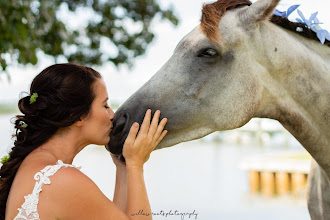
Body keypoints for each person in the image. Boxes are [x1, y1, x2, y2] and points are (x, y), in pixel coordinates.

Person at [0, 63, 167, 219]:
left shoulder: (37, 165)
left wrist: (123, 166)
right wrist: (136, 165)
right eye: (105, 105)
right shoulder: (61, 179)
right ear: (77, 116)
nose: (112, 115)